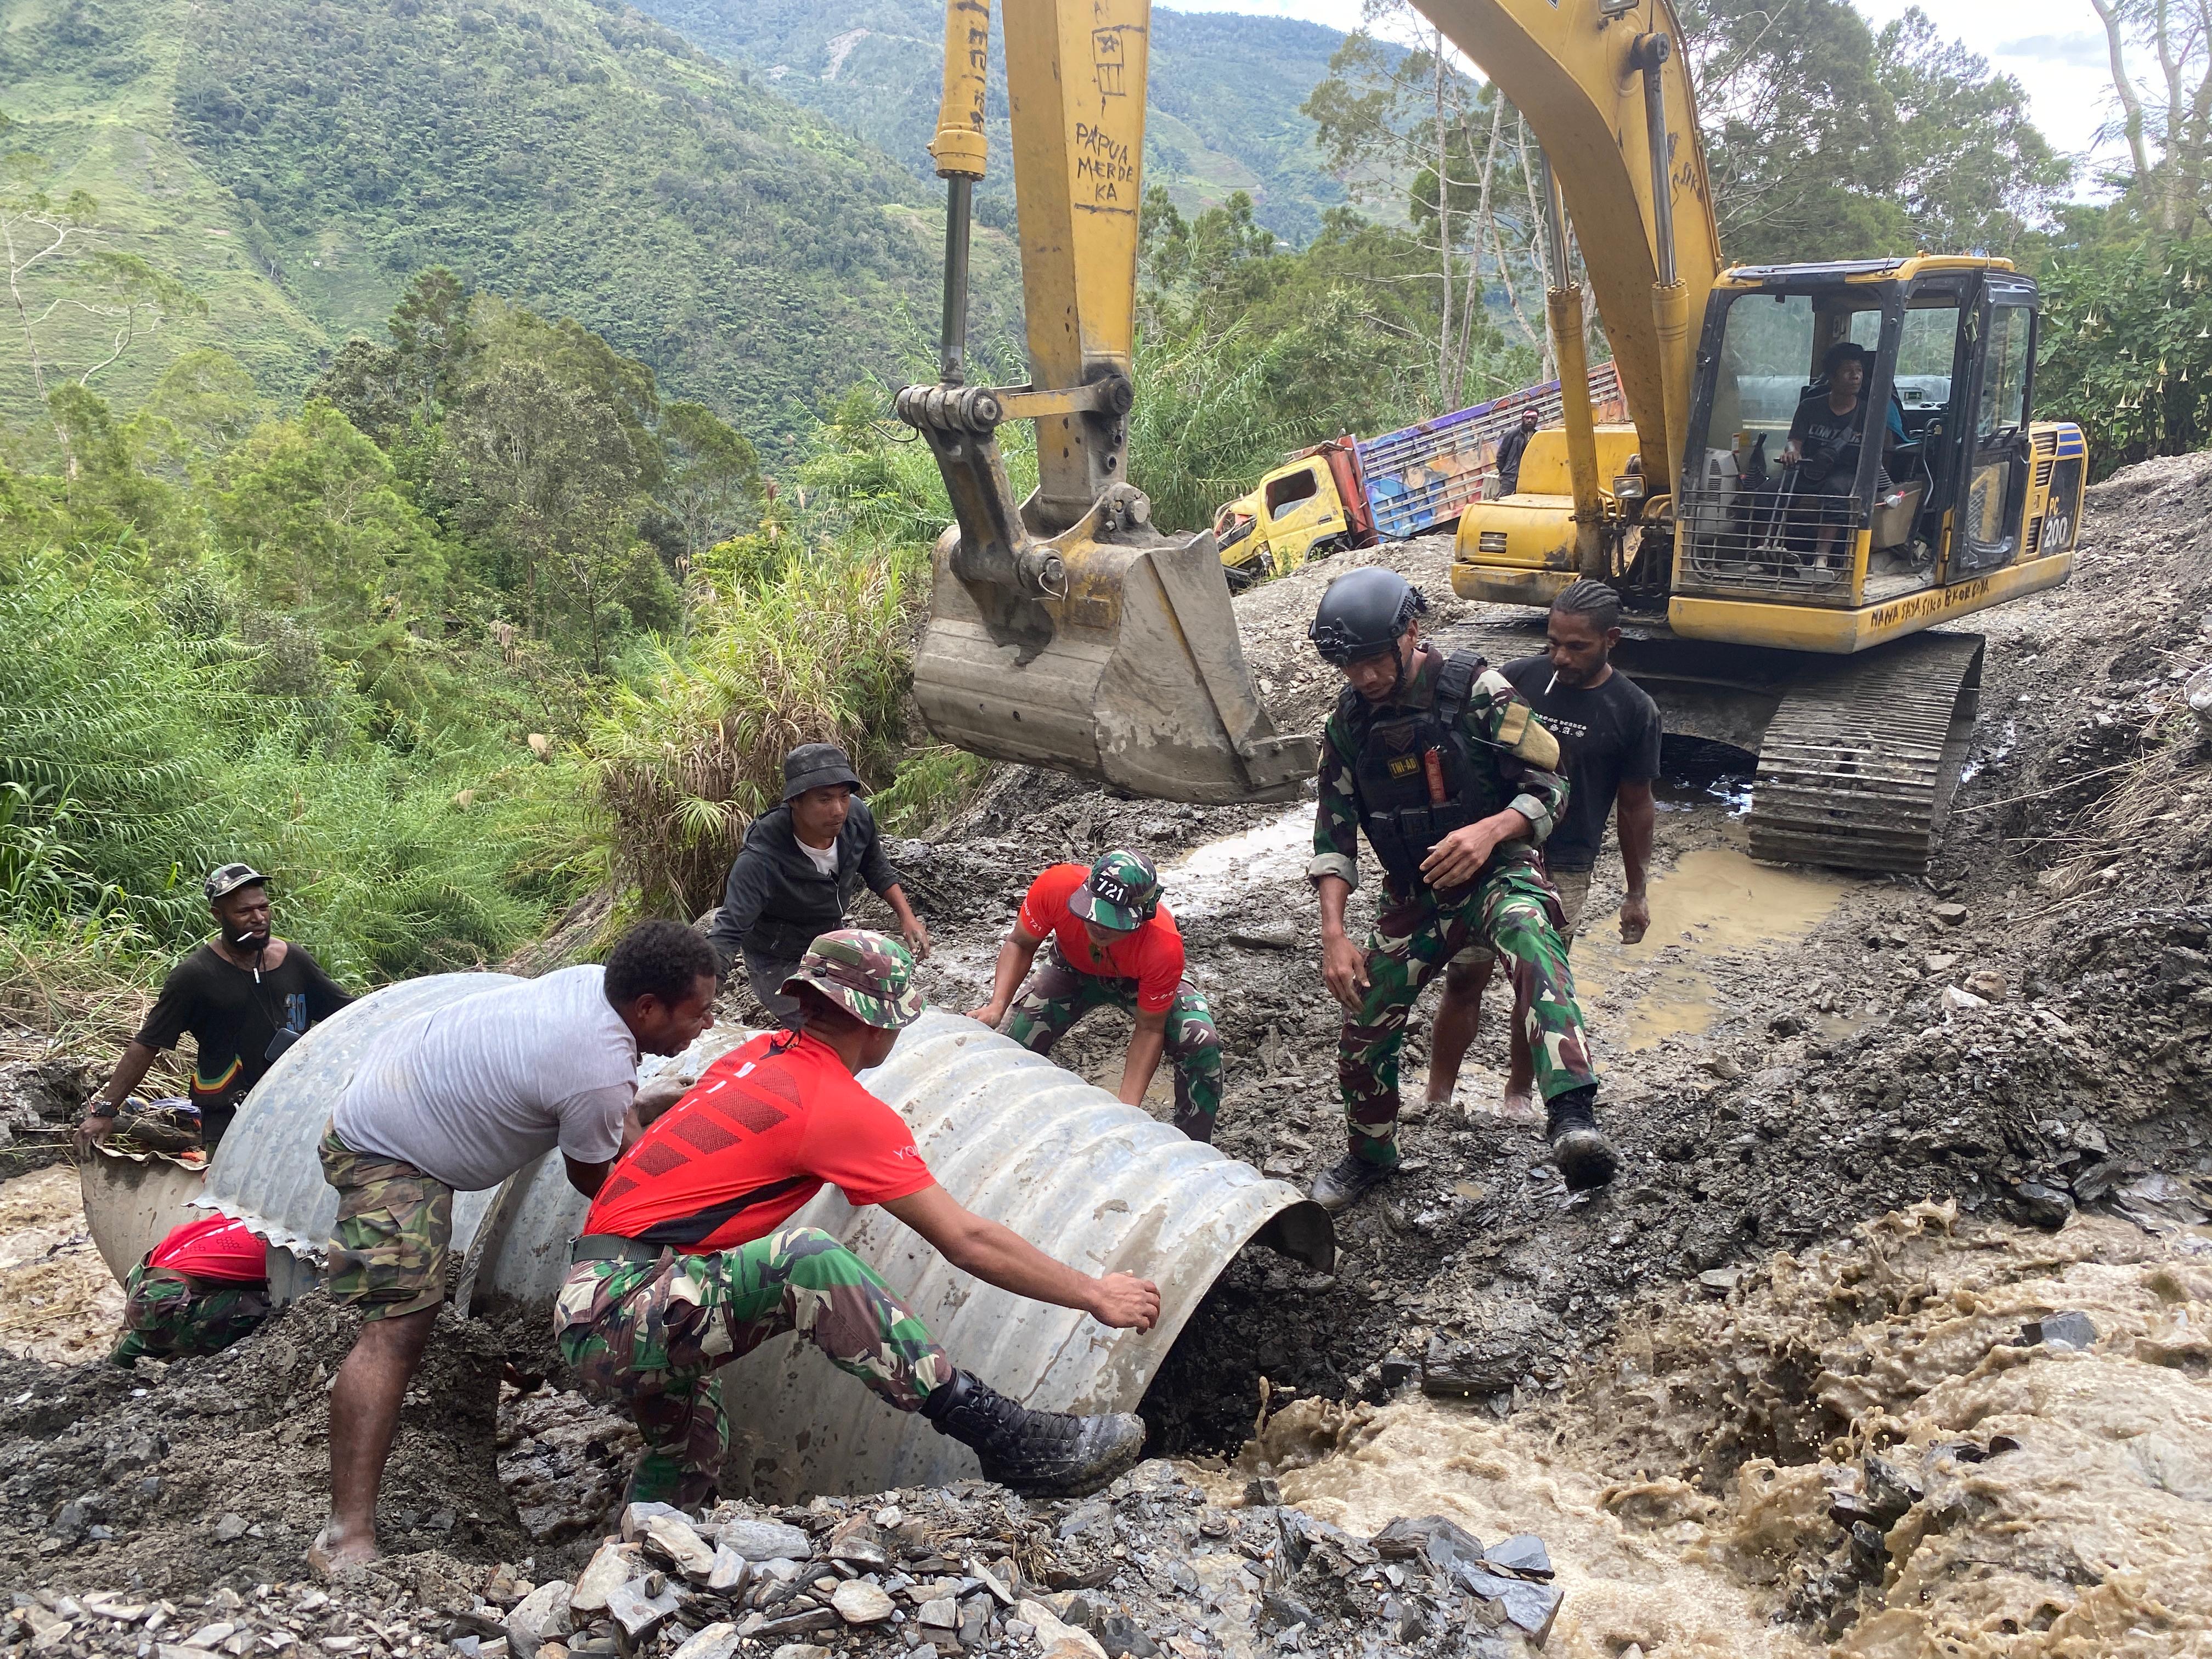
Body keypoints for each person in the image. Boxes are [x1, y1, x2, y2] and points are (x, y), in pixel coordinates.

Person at [557, 930, 1159, 1506]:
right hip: (623, 1308)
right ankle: (1006, 1437)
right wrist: (1094, 1292)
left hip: (603, 1294)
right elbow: (967, 1240)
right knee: (805, 1261)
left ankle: (635, 1569)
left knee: (691, 1443)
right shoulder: (836, 1108)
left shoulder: (755, 1055)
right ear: (880, 1025)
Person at [312, 921, 719, 1572]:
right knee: (397, 1331)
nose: (705, 1025)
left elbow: (612, 1123)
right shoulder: (595, 1067)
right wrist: (671, 1240)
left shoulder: (596, 990)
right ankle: (345, 1535)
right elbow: (594, 1177)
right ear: (647, 1009)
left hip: (399, 1090)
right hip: (383, 1151)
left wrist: (634, 1108)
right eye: (699, 1014)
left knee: (406, 1324)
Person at [1305, 566, 1617, 1211]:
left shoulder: (1480, 691)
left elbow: (1551, 786)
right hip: (1415, 895)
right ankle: (1371, 1153)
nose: (1362, 677)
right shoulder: (1349, 724)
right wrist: (1333, 934)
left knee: (1534, 940)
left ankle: (1573, 1117)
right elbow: (1333, 838)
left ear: (1410, 635)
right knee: (1365, 1016)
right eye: (1349, 666)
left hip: (1497, 873)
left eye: (1371, 661)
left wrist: (1490, 830)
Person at [1427, 579, 1661, 1115]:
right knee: (1465, 975)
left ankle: (1518, 1095)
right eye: (1553, 641)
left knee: (1537, 990)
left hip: (1566, 865)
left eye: (1576, 646)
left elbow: (1635, 806)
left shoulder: (1633, 710)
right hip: (1496, 854)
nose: (1560, 657)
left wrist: (1636, 891)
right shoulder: (1519, 680)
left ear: (1612, 640)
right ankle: (1437, 1095)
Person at [76, 864, 353, 1156]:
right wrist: (105, 1111)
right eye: (244, 912)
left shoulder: (293, 960)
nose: (258, 918)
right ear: (218, 915)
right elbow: (147, 1044)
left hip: (296, 1107)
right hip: (230, 1113)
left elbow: (348, 1013)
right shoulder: (195, 976)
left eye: (264, 907)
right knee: (228, 1196)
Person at [969, 851, 1224, 1141]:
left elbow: (1150, 1028)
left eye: (1113, 921)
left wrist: (1126, 1110)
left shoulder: (1163, 945)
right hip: (1071, 968)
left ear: (1143, 915)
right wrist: (996, 1006)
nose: (1099, 927)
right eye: (1094, 913)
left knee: (1200, 1041)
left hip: (1137, 980)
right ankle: (1006, 1128)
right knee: (1010, 1049)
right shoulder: (1056, 886)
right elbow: (1020, 943)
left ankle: (1194, 1145)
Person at [706, 743, 930, 1024]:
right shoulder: (762, 859)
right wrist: (702, 996)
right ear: (795, 802)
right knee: (824, 1026)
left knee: (870, 1010)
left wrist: (907, 918)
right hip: (777, 958)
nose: (838, 810)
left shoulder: (856, 818)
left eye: (844, 796)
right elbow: (728, 930)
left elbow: (875, 866)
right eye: (824, 800)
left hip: (828, 938)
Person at [1781, 341, 1902, 566]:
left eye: (1859, 371)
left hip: (1848, 472)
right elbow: (1794, 441)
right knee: (1768, 493)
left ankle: (1821, 558)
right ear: (1832, 378)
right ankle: (1765, 549)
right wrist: (1792, 452)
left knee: (1834, 491)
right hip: (1811, 468)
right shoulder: (1810, 406)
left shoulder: (1870, 412)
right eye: (1848, 372)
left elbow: (1881, 453)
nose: (1855, 377)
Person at [110, 1214, 272, 1366]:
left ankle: (121, 1360)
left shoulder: (249, 1213)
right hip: (165, 1302)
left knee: (149, 1334)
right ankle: (184, 1349)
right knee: (274, 1308)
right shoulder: (282, 1245)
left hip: (142, 1274)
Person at [1494, 408, 1540, 496]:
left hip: (1529, 478)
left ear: (1537, 420)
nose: (1529, 421)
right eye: (1527, 418)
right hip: (1510, 478)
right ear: (1522, 419)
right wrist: (1505, 473)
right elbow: (1501, 456)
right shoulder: (1513, 434)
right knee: (1505, 501)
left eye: (1533, 418)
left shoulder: (1537, 436)